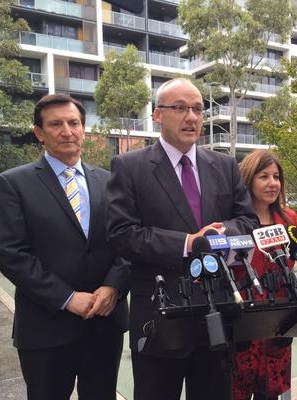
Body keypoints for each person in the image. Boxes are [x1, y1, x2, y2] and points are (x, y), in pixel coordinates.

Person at [105, 77, 257, 400]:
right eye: (180, 108)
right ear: (158, 115)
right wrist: (188, 243)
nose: (191, 117)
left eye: (198, 109)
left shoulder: (225, 165)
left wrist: (220, 236)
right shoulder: (130, 167)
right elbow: (121, 234)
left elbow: (247, 221)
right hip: (161, 316)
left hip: (217, 310)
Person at [0, 94, 129, 400]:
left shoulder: (110, 181)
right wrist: (66, 298)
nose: (66, 130)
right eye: (56, 124)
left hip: (104, 322)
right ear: (39, 133)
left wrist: (114, 286)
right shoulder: (13, 183)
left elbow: (127, 241)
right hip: (46, 326)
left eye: (73, 122)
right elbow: (10, 253)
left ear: (83, 128)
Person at [232, 149, 297, 400]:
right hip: (243, 319)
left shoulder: (288, 218)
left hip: (277, 318)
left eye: (276, 176)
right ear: (249, 179)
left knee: (270, 394)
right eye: (264, 176)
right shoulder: (234, 220)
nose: (272, 183)